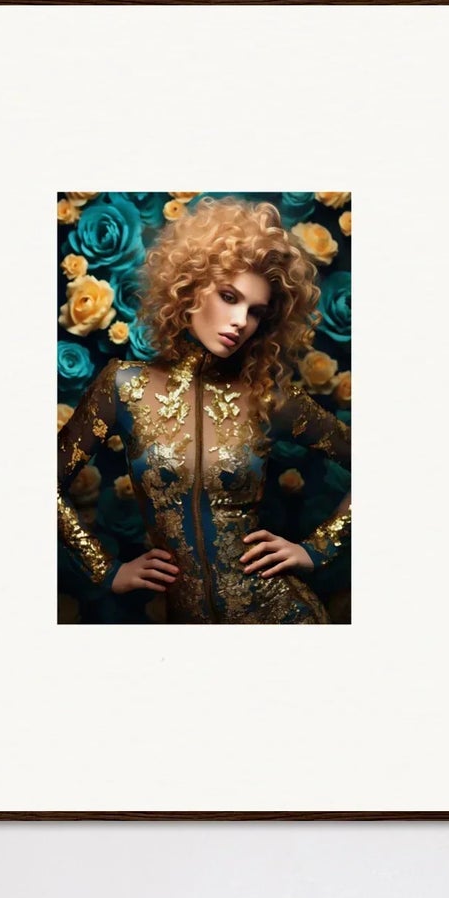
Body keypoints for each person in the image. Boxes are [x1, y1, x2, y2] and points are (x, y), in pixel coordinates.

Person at [57, 196, 350, 624]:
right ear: (191, 287)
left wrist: (316, 549)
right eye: (229, 296)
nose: (239, 321)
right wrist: (106, 570)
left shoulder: (269, 398)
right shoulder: (122, 385)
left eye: (255, 312)